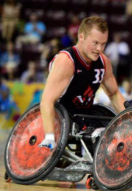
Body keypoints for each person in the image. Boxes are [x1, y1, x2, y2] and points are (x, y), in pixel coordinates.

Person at [39, 16, 125, 150]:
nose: (99, 49)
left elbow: (114, 94)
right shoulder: (66, 61)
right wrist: (49, 137)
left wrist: (130, 120)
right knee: (99, 137)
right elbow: (47, 101)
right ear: (81, 37)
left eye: (103, 44)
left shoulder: (103, 62)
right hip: (64, 114)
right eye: (95, 43)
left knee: (119, 131)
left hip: (86, 112)